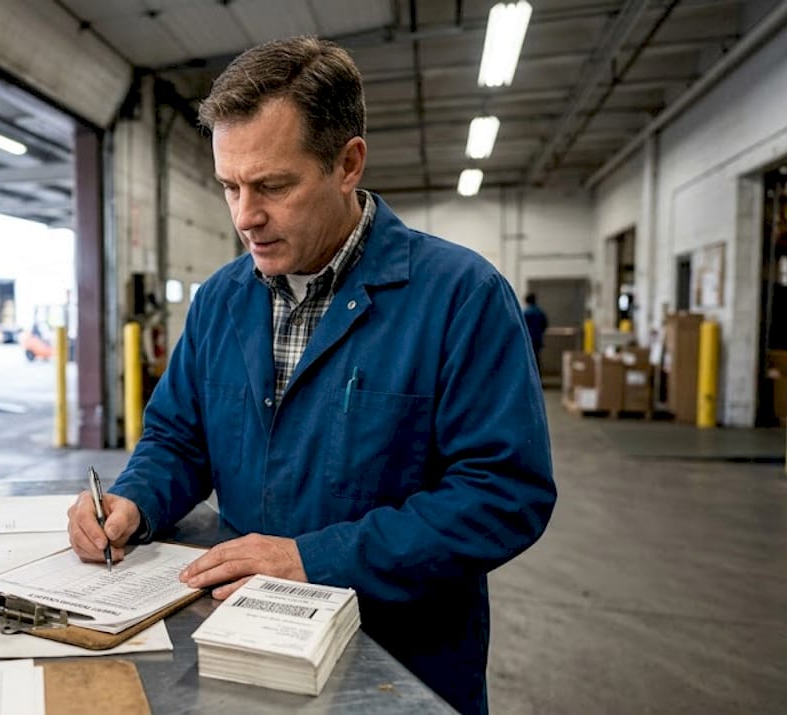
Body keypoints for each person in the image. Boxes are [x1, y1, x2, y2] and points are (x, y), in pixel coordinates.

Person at [67, 36, 555, 715]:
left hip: (398, 663)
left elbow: (504, 493)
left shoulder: (460, 297)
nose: (245, 217)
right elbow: (179, 438)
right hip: (237, 647)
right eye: (230, 187)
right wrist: (135, 499)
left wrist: (317, 559)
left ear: (347, 163)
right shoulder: (220, 301)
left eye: (272, 185)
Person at [523, 292, 549, 369]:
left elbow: (522, 327)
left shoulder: (526, 313)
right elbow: (545, 325)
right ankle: (538, 376)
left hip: (528, 339)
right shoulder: (540, 312)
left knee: (528, 359)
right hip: (538, 339)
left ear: (526, 301)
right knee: (536, 358)